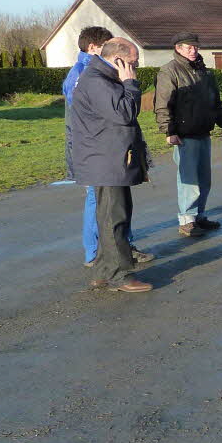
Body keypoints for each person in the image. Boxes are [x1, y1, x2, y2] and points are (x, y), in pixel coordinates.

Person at [67, 36, 152, 292]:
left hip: (108, 158)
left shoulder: (100, 78)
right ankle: (120, 275)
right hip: (105, 159)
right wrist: (130, 84)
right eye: (133, 62)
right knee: (114, 218)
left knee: (110, 217)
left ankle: (104, 270)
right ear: (118, 59)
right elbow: (124, 114)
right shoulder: (98, 82)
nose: (135, 67)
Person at [154, 33, 222, 238]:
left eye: (195, 47)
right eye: (188, 47)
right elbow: (163, 104)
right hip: (184, 135)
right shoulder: (169, 71)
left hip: (203, 133)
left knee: (204, 180)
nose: (193, 50)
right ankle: (187, 221)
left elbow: (215, 101)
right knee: (189, 181)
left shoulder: (204, 72)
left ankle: (199, 216)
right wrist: (168, 131)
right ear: (178, 48)